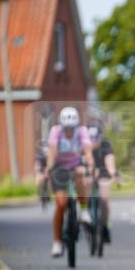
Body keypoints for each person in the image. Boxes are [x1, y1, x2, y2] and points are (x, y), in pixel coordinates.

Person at [45, 106, 94, 257]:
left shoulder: (82, 131)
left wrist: (90, 165)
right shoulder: (55, 131)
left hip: (75, 165)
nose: (69, 131)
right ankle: (57, 242)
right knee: (61, 204)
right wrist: (49, 167)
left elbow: (87, 151)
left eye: (71, 129)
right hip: (60, 167)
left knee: (81, 175)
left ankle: (84, 210)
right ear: (62, 126)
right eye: (66, 129)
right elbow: (52, 150)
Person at [88, 123, 118, 243]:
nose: (93, 142)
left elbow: (110, 160)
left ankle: (105, 226)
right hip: (88, 174)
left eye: (95, 138)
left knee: (104, 198)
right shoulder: (83, 145)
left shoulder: (106, 145)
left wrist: (112, 172)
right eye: (91, 138)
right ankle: (84, 216)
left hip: (103, 174)